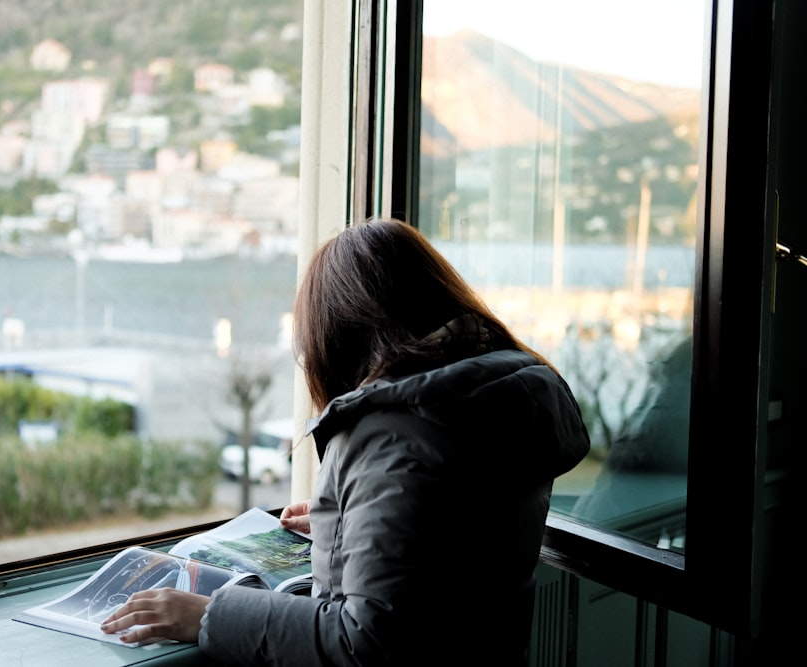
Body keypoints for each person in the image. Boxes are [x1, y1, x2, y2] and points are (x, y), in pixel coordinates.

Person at [101, 218, 591, 665]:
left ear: (342, 336)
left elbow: (368, 642)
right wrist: (350, 531)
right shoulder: (488, 400)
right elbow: (462, 538)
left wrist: (208, 615)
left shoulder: (397, 432)